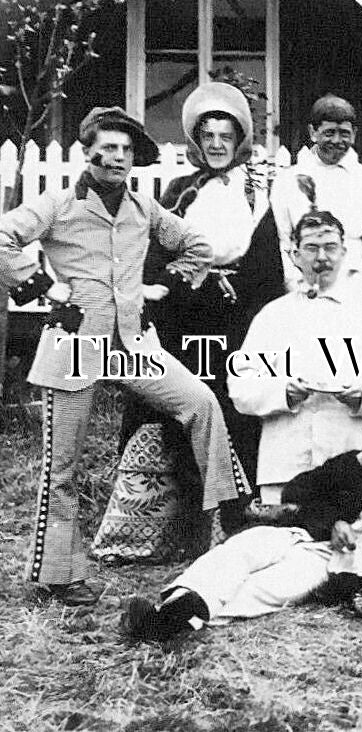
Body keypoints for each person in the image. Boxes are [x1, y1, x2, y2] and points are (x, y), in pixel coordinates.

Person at [0, 107, 248, 605]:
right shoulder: (59, 203)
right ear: (88, 151)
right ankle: (59, 576)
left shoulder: (143, 207)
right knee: (62, 466)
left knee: (200, 403)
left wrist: (164, 285)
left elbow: (197, 244)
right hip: (75, 346)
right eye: (108, 147)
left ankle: (227, 520)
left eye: (126, 150)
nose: (117, 157)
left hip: (133, 346)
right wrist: (47, 287)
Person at [119, 379, 362, 641]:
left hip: (345, 565)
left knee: (272, 586)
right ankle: (174, 612)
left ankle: (172, 620)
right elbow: (299, 487)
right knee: (242, 548)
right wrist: (334, 520)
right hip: (308, 536)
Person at [122, 81, 284, 487]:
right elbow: (156, 251)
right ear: (196, 140)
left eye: (225, 137)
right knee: (176, 399)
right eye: (208, 136)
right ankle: (172, 500)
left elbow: (267, 262)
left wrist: (246, 307)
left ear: (239, 139)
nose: (216, 145)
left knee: (231, 401)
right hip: (184, 312)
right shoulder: (181, 190)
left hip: (236, 315)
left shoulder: (258, 192)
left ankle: (230, 500)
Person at [228, 207, 362, 506]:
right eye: (311, 248)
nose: (322, 258)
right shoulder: (273, 316)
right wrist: (284, 393)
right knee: (282, 546)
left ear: (345, 252)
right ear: (294, 255)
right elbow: (241, 387)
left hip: (354, 459)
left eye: (330, 247)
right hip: (287, 461)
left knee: (347, 544)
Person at [269, 94, 362, 297]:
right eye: (329, 133)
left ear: (354, 134)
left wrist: (360, 289)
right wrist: (298, 287)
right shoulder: (287, 181)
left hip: (355, 293)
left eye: (344, 133)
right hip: (303, 292)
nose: (337, 140)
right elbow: (282, 243)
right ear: (313, 132)